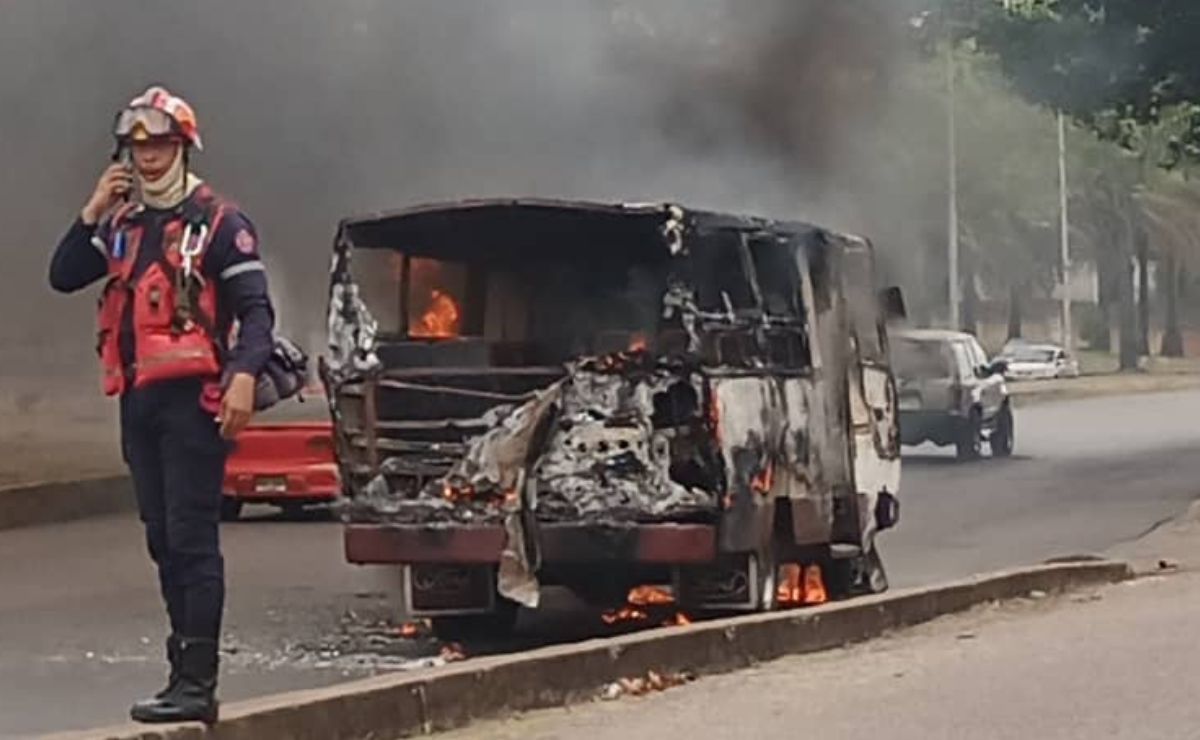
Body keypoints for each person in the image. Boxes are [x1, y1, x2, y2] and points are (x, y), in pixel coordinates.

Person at [48, 86, 275, 724]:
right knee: (161, 542)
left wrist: (243, 377)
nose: (149, 157)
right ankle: (180, 674)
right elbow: (63, 275)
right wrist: (91, 210)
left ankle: (197, 682)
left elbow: (256, 313)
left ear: (184, 146)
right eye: (138, 146)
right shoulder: (120, 225)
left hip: (195, 405)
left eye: (161, 144)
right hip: (140, 405)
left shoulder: (221, 223)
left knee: (191, 539)